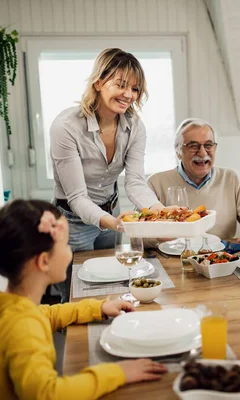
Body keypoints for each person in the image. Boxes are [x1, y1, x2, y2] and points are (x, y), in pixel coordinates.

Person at [0, 200, 167, 399]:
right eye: (65, 245)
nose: (70, 251)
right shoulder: (22, 326)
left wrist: (98, 307)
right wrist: (118, 372)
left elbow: (45, 314)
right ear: (43, 261)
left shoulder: (0, 300)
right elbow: (49, 394)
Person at [50, 48, 163, 300]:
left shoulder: (134, 126)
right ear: (98, 82)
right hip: (72, 221)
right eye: (121, 85)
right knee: (77, 296)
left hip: (112, 212)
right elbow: (78, 197)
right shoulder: (66, 127)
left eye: (135, 89)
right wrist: (113, 223)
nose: (129, 95)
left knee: (114, 288)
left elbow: (134, 182)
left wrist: (162, 213)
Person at [147, 118, 240, 245]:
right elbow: (138, 234)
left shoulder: (231, 178)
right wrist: (160, 235)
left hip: (220, 260)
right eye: (193, 146)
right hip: (171, 259)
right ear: (178, 152)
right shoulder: (155, 182)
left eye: (208, 145)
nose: (202, 152)